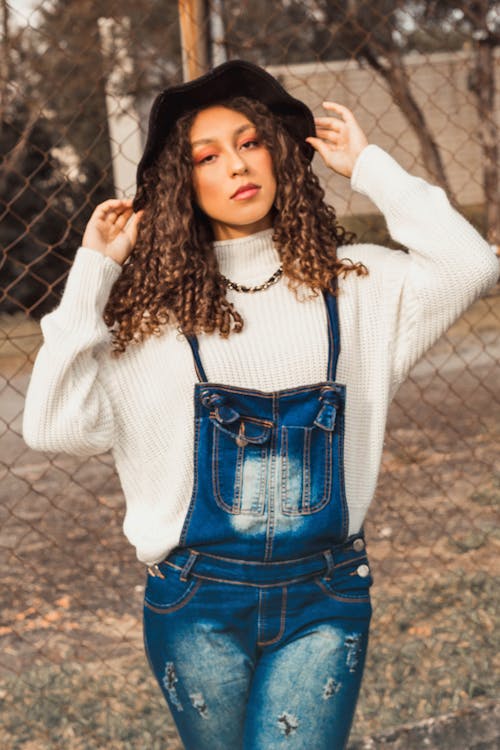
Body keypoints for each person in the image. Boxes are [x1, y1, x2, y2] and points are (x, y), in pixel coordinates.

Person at [22, 59, 499, 749]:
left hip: (324, 599)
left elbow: (472, 266)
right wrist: (95, 271)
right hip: (194, 603)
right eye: (208, 156)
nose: (237, 166)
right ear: (181, 184)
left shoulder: (358, 286)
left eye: (250, 142)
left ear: (278, 153)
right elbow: (50, 426)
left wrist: (368, 166)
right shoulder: (148, 320)